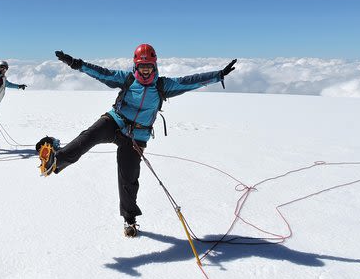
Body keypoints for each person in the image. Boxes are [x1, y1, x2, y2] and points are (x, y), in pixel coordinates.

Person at [36, 44, 236, 237]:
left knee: (128, 177)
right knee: (89, 136)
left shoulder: (162, 86)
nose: (146, 71)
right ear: (135, 66)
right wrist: (75, 63)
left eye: (149, 67)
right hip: (115, 121)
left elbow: (190, 81)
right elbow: (101, 73)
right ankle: (56, 161)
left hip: (136, 136)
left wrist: (218, 75)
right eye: (142, 67)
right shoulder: (127, 79)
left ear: (155, 66)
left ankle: (129, 220)